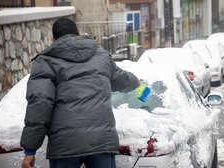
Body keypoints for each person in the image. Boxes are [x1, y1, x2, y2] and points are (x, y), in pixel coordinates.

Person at [20, 18, 140, 168]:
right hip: (101, 141)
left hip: (65, 146)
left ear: (53, 39)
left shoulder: (45, 62)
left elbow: (39, 103)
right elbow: (120, 79)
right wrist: (136, 81)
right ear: (77, 34)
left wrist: (30, 149)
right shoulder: (101, 55)